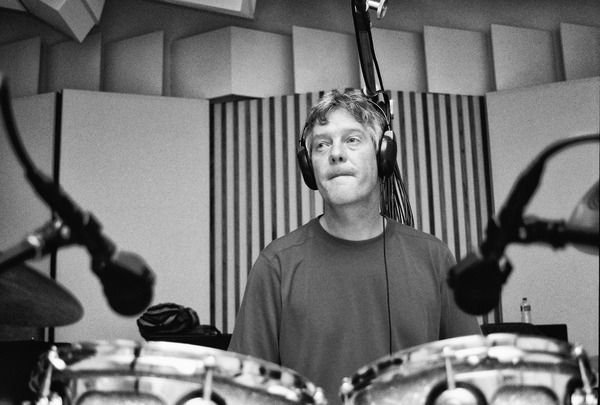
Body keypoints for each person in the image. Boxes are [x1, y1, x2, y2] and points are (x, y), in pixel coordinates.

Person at [228, 89, 480, 402]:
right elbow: (244, 393)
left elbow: (472, 381)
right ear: (309, 166)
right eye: (322, 145)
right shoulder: (276, 264)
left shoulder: (434, 258)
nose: (335, 153)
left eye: (352, 139)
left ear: (383, 154)